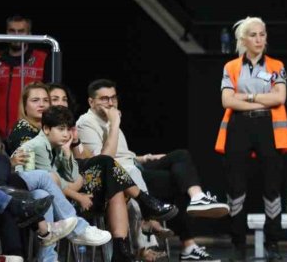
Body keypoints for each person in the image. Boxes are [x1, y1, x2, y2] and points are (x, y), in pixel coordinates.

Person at [78, 78, 229, 262]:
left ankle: (197, 198)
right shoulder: (86, 123)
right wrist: (115, 124)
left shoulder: (109, 117)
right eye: (104, 99)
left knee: (180, 157)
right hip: (118, 175)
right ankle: (162, 230)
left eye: (113, 98)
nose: (110, 103)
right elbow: (103, 161)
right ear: (91, 102)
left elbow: (124, 154)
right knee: (173, 182)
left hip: (134, 164)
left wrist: (146, 157)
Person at [22, 106, 176, 262]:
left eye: (68, 129)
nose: (66, 134)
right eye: (61, 129)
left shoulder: (58, 145)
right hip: (36, 195)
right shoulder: (39, 146)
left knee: (112, 178)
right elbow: (50, 181)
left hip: (64, 190)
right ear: (47, 129)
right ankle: (143, 202)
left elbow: (72, 175)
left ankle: (120, 247)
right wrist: (77, 194)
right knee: (107, 163)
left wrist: (68, 153)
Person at [215, 16, 287, 260]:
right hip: (239, 127)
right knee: (236, 187)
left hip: (268, 127)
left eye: (262, 34)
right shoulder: (231, 67)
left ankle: (273, 243)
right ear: (243, 39)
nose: (259, 39)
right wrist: (258, 98)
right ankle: (238, 243)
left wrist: (244, 98)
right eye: (254, 35)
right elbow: (227, 101)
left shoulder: (276, 65)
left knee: (272, 186)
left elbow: (279, 98)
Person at [0, 15, 50, 139]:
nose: (16, 35)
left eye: (21, 31)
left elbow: (50, 98)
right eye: (11, 31)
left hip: (29, 133)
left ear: (29, 34)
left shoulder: (42, 59)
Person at [4, 82, 50, 155]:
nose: (42, 104)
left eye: (46, 100)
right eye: (35, 100)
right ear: (24, 106)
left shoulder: (48, 128)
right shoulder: (22, 130)